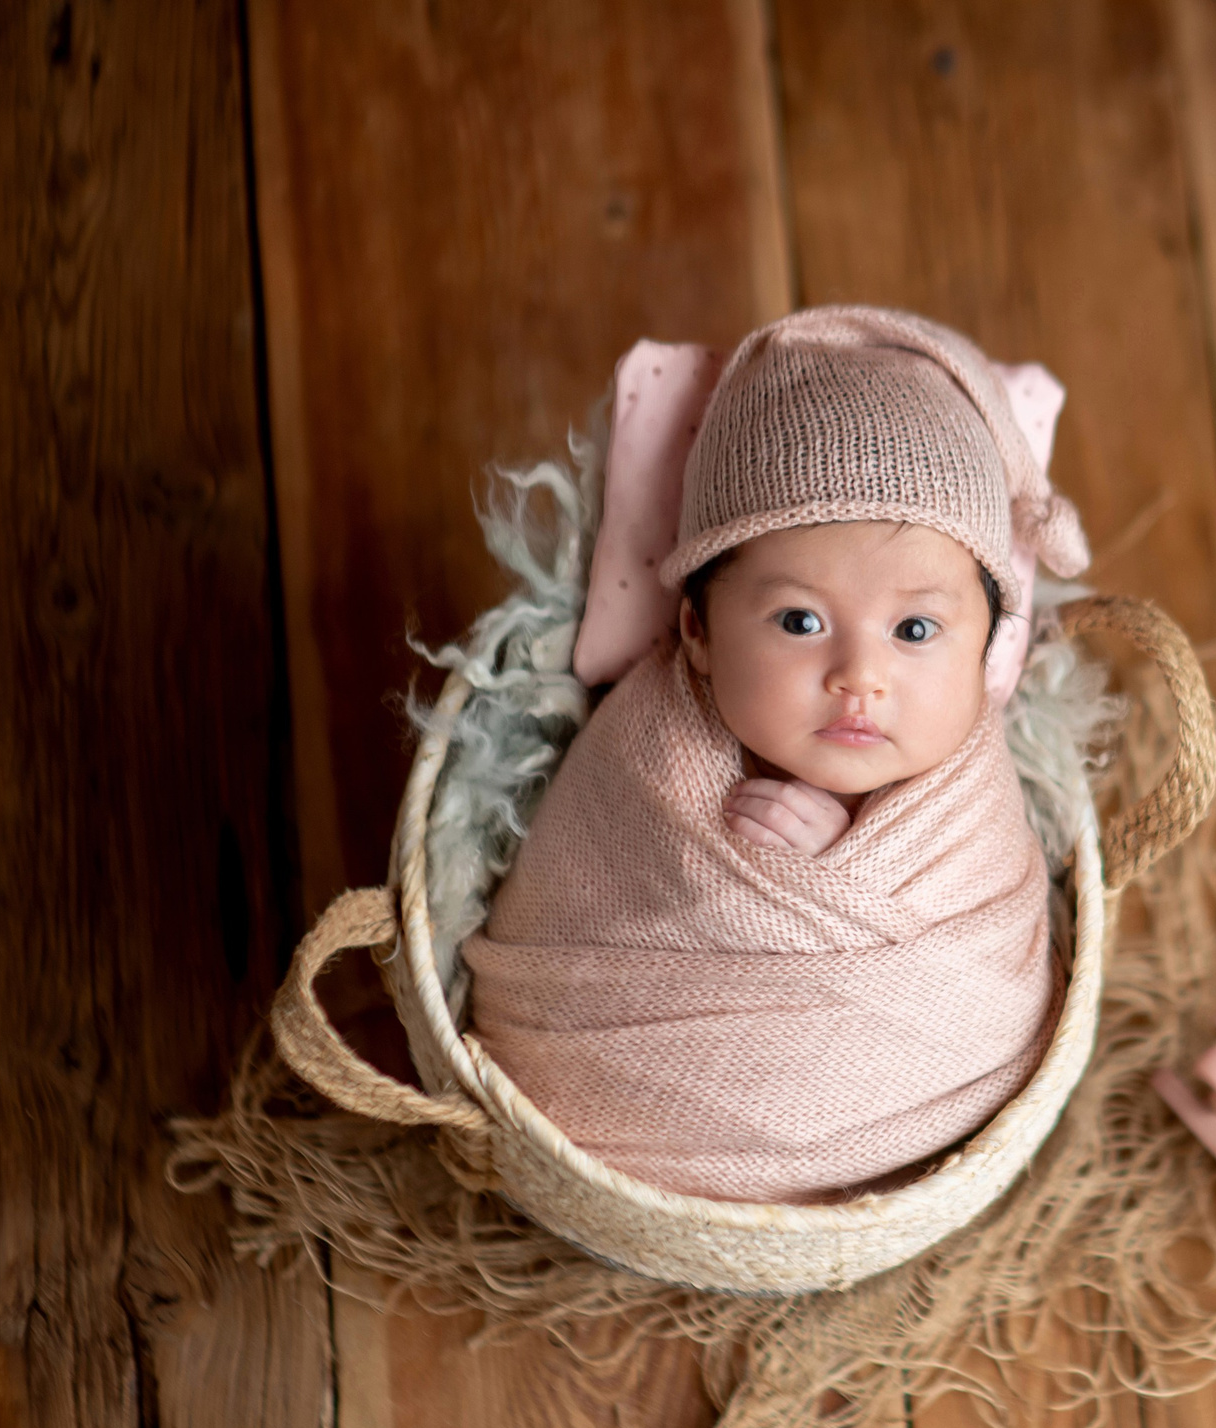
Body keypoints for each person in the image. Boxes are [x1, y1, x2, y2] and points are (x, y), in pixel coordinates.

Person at [460, 306, 1088, 1205]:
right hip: (603, 1108)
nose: (859, 675)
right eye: (800, 620)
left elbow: (990, 980)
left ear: (988, 648)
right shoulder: (648, 754)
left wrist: (844, 857)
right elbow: (573, 913)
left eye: (915, 629)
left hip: (928, 1108)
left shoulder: (970, 791)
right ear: (697, 631)